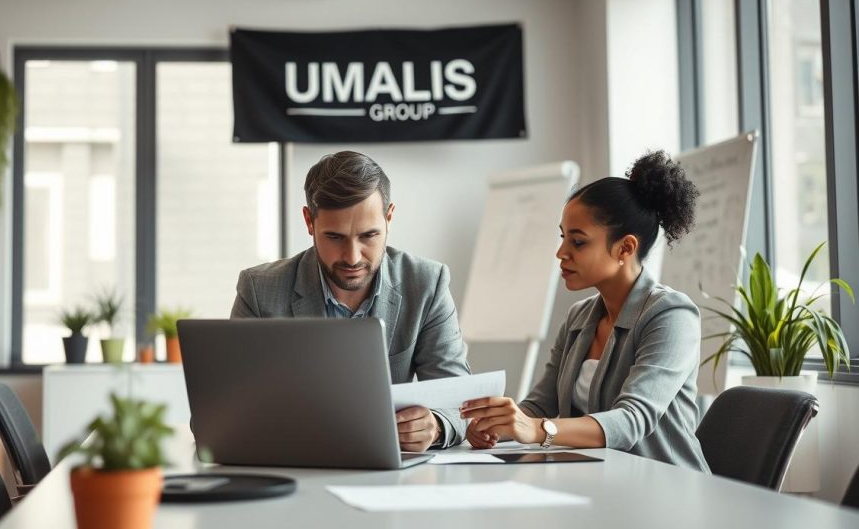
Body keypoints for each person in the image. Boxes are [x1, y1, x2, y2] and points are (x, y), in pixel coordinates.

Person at [460, 151, 710, 471]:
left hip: (666, 490)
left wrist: (535, 429)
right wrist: (498, 425)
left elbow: (632, 420)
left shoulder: (672, 315)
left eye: (578, 242)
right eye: (563, 237)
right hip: (599, 480)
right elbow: (540, 405)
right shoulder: (579, 317)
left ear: (625, 248)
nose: (560, 253)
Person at [232, 150, 471, 451]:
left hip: (390, 477)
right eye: (335, 237)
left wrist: (434, 425)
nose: (353, 257)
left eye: (368, 235)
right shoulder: (260, 289)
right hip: (296, 464)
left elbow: (460, 402)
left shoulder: (426, 284)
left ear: (389, 217)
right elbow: (226, 411)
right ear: (309, 221)